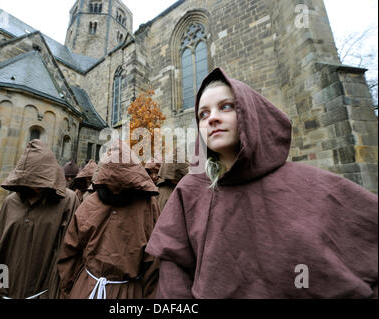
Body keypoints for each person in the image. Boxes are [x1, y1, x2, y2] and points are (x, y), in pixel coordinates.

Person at [146, 67, 378, 299]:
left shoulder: (312, 184)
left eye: (226, 106)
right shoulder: (189, 191)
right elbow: (173, 281)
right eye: (203, 114)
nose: (212, 118)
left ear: (249, 112)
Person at [0, 139, 80, 299]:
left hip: (44, 292)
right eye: (31, 179)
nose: (36, 186)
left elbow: (67, 255)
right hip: (5, 289)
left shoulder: (67, 201)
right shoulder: (10, 202)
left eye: (41, 179)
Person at [57, 140, 161, 299]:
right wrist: (69, 291)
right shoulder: (89, 203)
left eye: (120, 184)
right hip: (87, 288)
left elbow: (154, 263)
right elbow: (70, 252)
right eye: (112, 184)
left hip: (127, 293)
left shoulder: (147, 206)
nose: (116, 189)